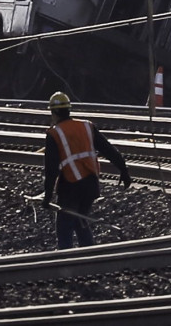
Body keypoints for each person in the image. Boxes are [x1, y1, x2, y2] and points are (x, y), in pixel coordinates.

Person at [42, 91, 132, 249]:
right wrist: (123, 170)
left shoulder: (54, 133)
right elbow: (107, 149)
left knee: (65, 225)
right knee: (80, 219)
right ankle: (89, 256)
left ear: (54, 112)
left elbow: (51, 169)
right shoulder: (86, 126)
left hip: (70, 185)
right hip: (90, 185)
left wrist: (47, 196)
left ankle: (65, 262)